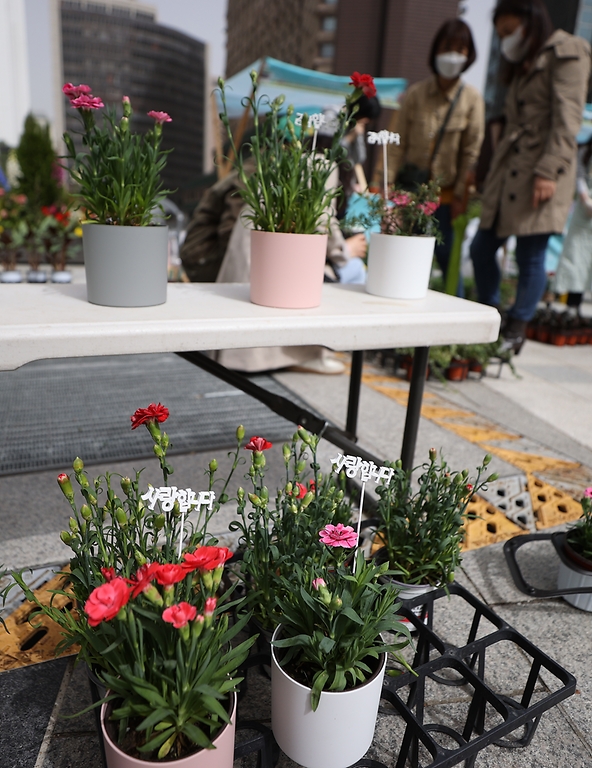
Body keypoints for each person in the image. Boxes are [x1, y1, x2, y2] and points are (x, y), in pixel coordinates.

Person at [470, 0, 591, 351]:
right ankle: (494, 317)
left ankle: (516, 330)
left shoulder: (568, 51)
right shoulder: (523, 63)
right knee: (482, 247)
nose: (506, 40)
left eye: (510, 32)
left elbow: (568, 118)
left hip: (540, 172)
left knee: (531, 255)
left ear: (529, 21)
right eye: (501, 35)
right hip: (509, 171)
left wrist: (548, 170)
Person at [373, 18, 485, 296]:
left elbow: (472, 152)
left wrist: (461, 196)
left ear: (469, 55)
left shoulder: (472, 99)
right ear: (436, 50)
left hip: (447, 200)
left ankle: (451, 333)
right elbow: (395, 144)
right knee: (401, 261)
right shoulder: (415, 95)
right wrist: (382, 186)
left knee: (449, 264)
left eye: (461, 49)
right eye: (449, 47)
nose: (453, 55)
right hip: (408, 195)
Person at [553, 138, 592, 312]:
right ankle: (571, 307)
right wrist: (586, 200)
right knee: (576, 259)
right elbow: (579, 174)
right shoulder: (585, 150)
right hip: (584, 213)